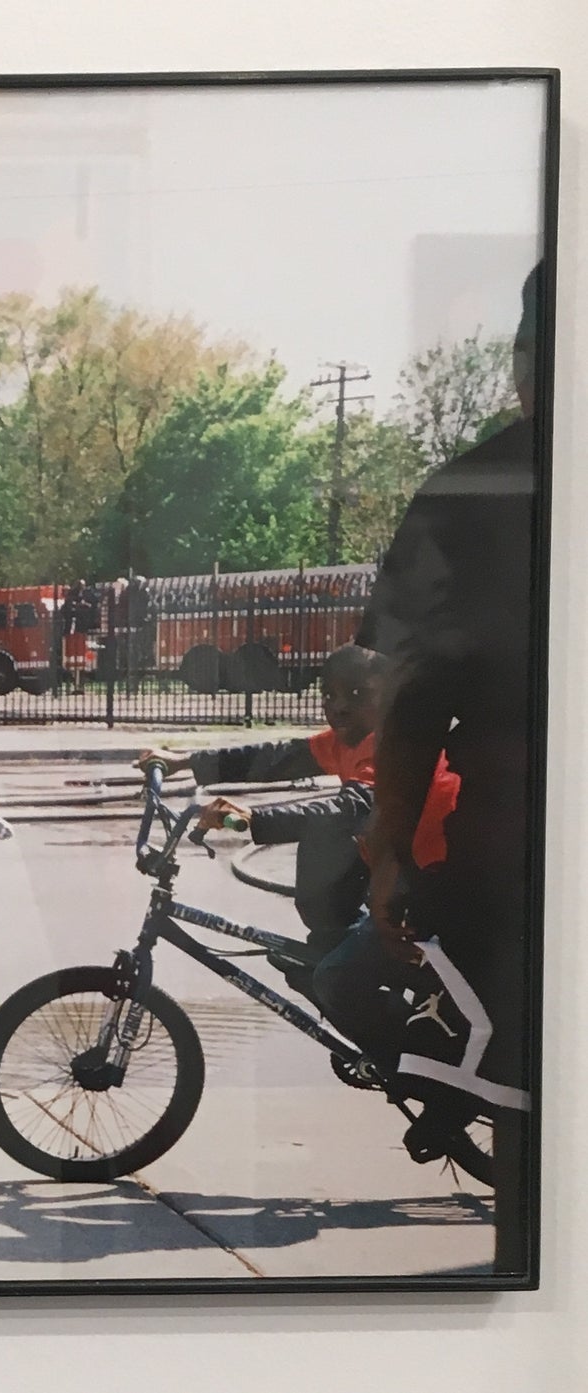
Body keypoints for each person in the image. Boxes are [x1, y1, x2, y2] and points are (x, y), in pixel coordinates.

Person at [356, 263, 543, 1269]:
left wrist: (389, 847)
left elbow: (414, 691)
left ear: (522, 363)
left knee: (523, 1090)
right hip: (512, 848)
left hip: (520, 856)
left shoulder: (474, 494)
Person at [139, 645, 436, 962]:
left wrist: (254, 817)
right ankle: (330, 946)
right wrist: (185, 761)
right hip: (390, 865)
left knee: (333, 979)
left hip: (423, 881)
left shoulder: (391, 746)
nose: (339, 707)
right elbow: (273, 759)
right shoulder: (344, 742)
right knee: (309, 952)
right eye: (329, 695)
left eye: (356, 694)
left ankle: (342, 963)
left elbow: (350, 809)